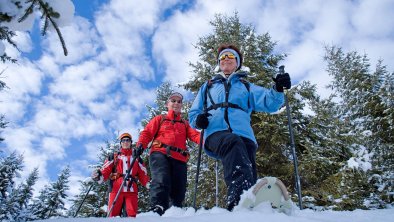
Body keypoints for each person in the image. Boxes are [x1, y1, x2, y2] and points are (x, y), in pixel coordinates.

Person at [188, 44, 291, 211]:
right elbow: (194, 113)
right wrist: (198, 120)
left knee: (249, 168)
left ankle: (252, 205)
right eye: (223, 57)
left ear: (237, 62)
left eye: (230, 56)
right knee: (232, 142)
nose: (226, 59)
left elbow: (269, 102)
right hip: (216, 133)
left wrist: (278, 89)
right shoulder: (208, 86)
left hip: (244, 135)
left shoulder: (245, 86)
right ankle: (238, 200)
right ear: (219, 63)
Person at [135, 92, 201, 216]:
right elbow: (147, 133)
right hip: (160, 153)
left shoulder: (184, 123)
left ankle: (175, 211)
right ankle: (157, 207)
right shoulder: (160, 119)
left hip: (180, 157)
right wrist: (141, 145)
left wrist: (208, 140)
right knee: (161, 178)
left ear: (182, 105)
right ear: (167, 104)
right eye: (173, 101)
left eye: (179, 101)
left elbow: (195, 135)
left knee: (179, 186)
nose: (176, 103)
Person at [92, 132, 150, 217]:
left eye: (128, 140)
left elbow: (143, 173)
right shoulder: (114, 157)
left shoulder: (136, 158)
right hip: (116, 189)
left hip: (131, 190)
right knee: (113, 215)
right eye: (123, 140)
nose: (125, 142)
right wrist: (99, 175)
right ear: (121, 143)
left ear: (131, 142)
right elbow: (105, 170)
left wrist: (148, 183)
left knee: (131, 216)